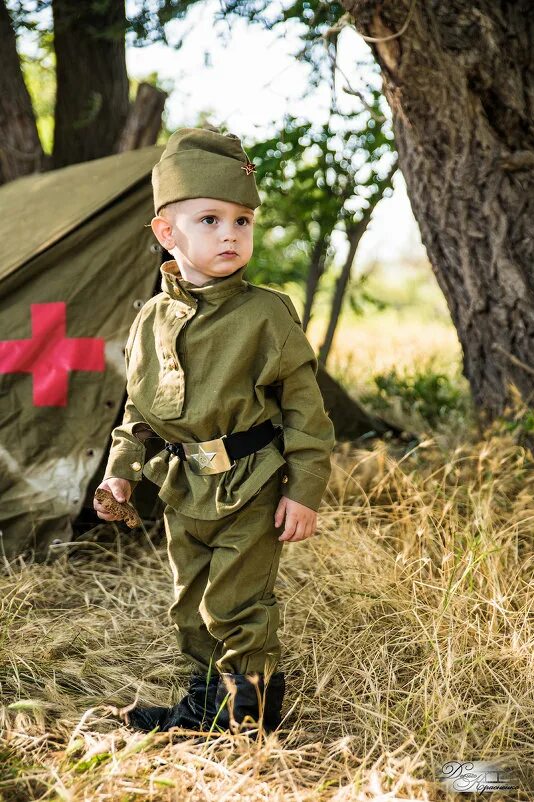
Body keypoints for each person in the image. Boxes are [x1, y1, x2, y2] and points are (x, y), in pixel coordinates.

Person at [93, 127, 335, 736]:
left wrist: (303, 488)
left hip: (251, 485)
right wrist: (121, 471)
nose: (231, 233)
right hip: (183, 489)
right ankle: (208, 703)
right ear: (166, 233)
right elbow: (140, 407)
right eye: (210, 219)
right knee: (190, 603)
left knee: (237, 603)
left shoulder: (266, 314)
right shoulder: (150, 317)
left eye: (243, 221)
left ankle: (249, 717)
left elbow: (306, 411)